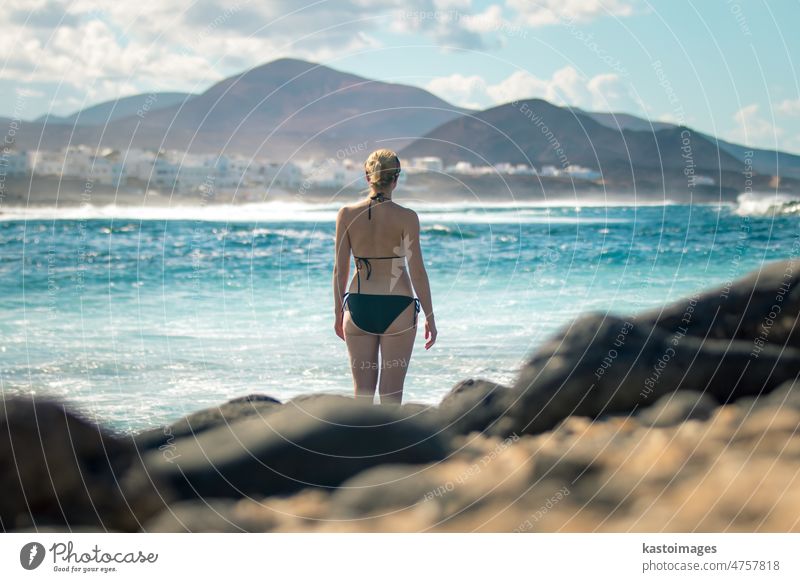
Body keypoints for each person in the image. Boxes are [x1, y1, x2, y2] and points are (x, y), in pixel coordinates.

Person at [333, 148, 437, 403]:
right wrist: (430, 317)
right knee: (391, 397)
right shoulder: (407, 217)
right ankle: (391, 444)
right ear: (396, 179)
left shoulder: (346, 214)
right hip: (398, 308)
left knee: (362, 396)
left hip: (358, 306)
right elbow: (418, 272)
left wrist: (338, 313)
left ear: (367, 177)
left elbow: (340, 270)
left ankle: (363, 444)